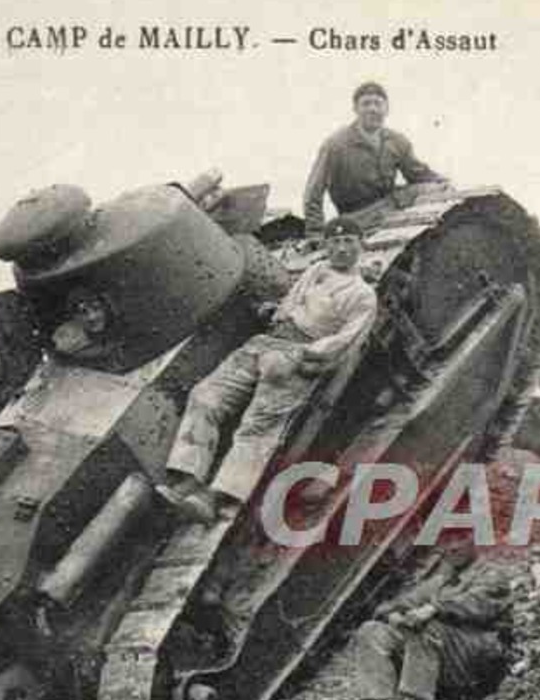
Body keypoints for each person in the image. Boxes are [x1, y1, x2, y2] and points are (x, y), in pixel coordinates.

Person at [157, 217, 378, 523]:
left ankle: (216, 497)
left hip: (295, 357)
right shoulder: (315, 270)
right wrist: (278, 312)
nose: (341, 248)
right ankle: (188, 477)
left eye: (349, 242)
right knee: (205, 396)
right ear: (326, 245)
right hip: (264, 342)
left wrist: (303, 355)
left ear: (361, 243)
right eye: (335, 242)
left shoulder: (362, 295)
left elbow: (346, 341)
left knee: (256, 428)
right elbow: (294, 300)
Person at [351, 545, 522, 700]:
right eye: (447, 543)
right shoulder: (444, 579)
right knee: (371, 631)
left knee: (425, 628)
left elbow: (477, 605)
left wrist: (433, 608)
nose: (452, 549)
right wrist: (392, 613)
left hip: (480, 659)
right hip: (446, 656)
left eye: (460, 540)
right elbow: (403, 602)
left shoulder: (491, 573)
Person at [302, 81, 444, 237]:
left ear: (386, 109)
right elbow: (313, 193)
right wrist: (315, 233)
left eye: (378, 104)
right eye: (366, 104)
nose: (372, 109)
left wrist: (443, 183)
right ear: (355, 109)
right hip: (356, 218)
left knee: (430, 188)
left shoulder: (396, 141)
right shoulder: (336, 145)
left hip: (391, 208)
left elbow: (418, 173)